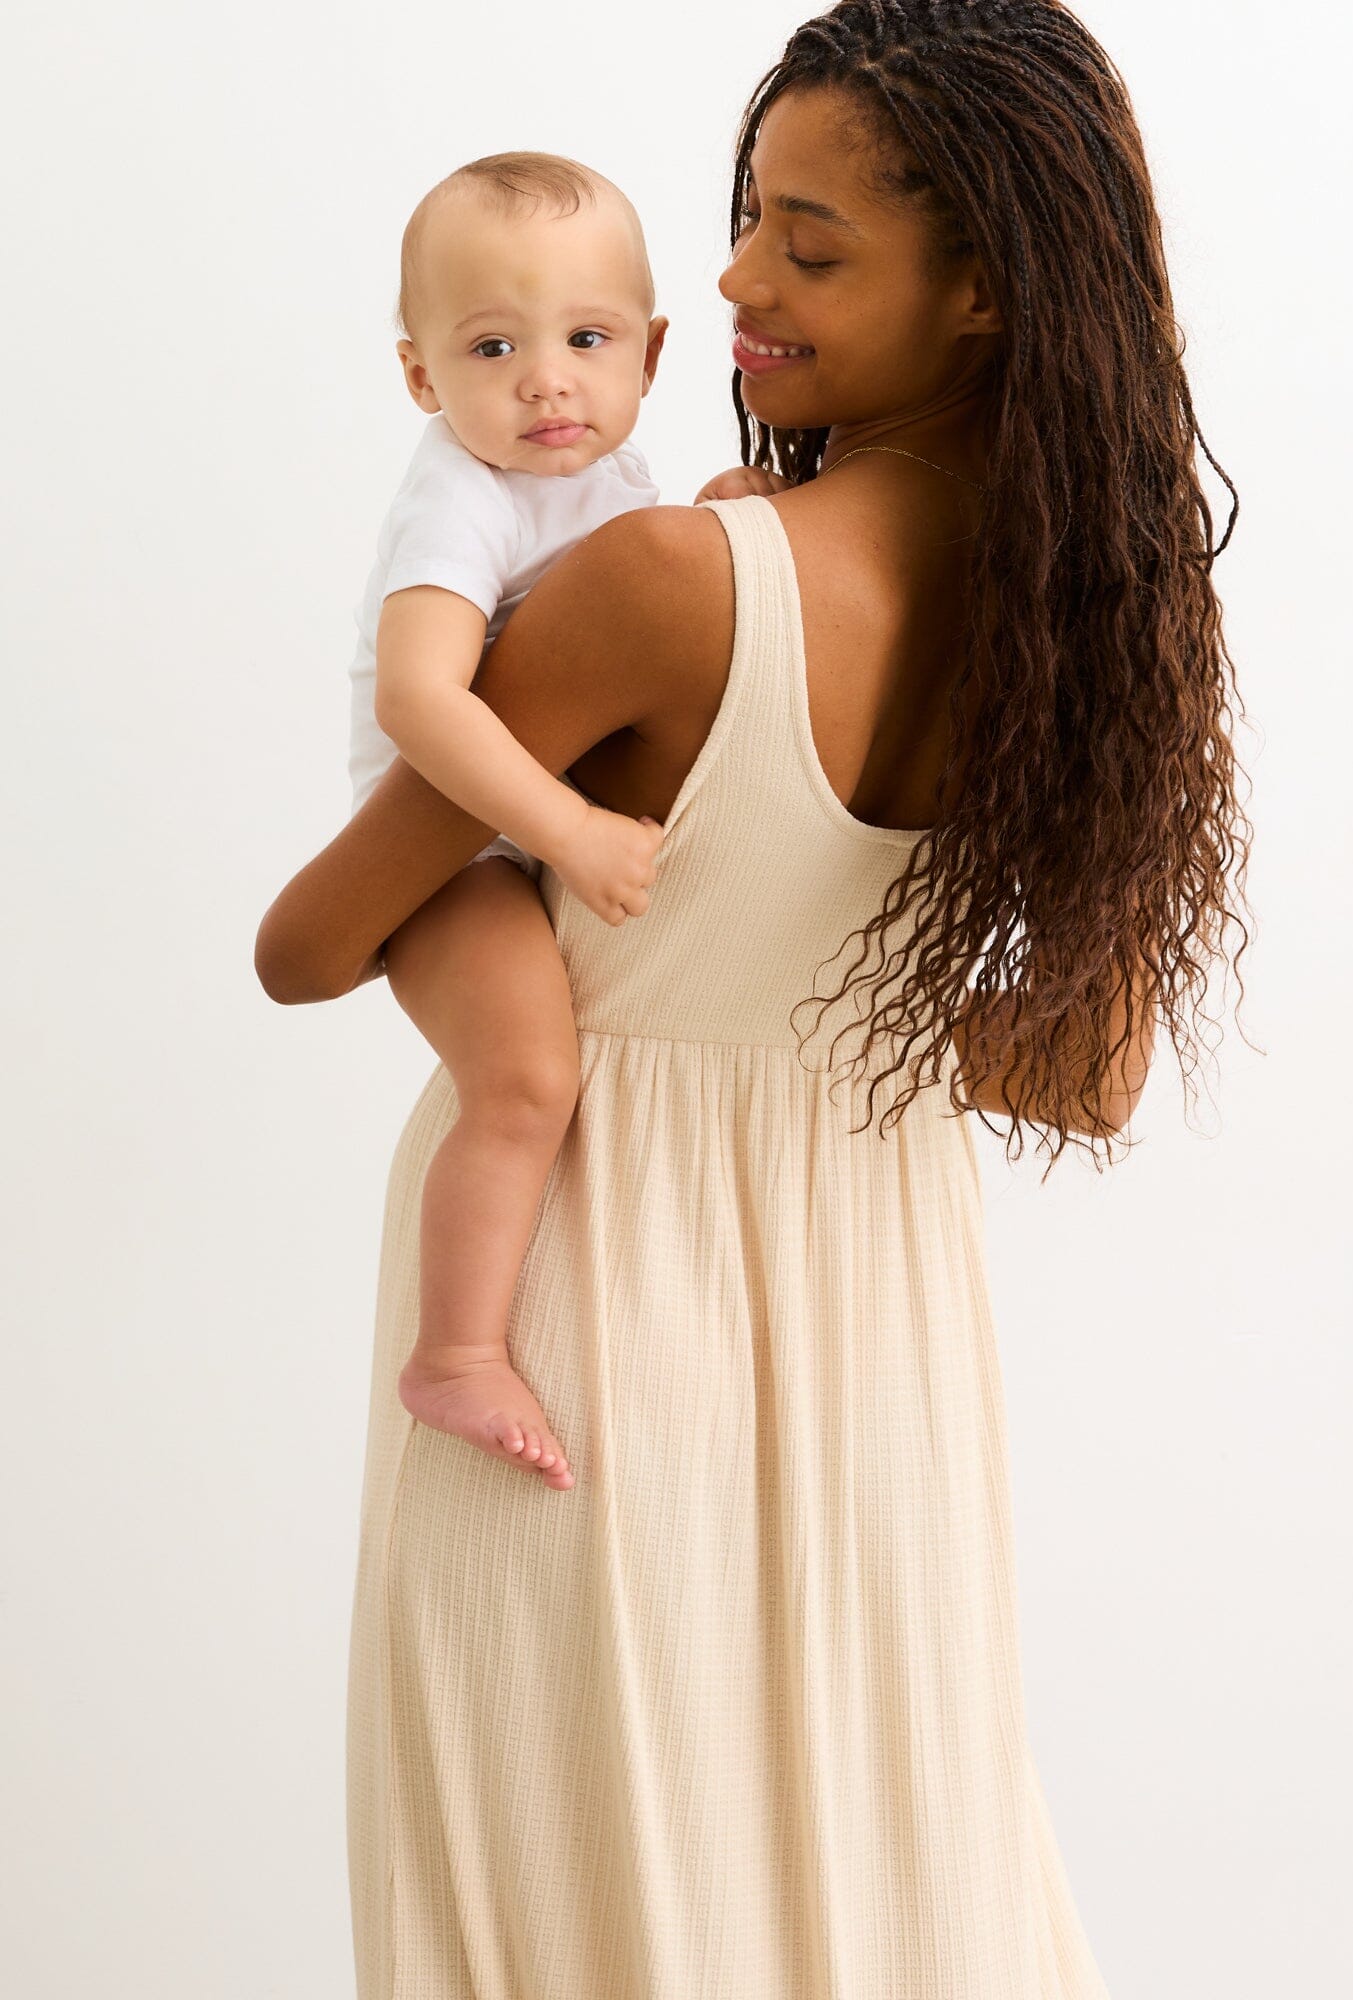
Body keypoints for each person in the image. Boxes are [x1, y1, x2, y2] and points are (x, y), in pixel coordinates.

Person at [255, 2, 1252, 1992]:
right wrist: (809, 1032)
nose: (725, 280)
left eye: (808, 244)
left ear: (980, 291)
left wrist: (650, 1006)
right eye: (742, 220)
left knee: (564, 1902)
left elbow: (308, 947)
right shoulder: (1110, 617)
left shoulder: (665, 580)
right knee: (869, 1882)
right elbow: (1087, 1065)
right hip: (870, 1333)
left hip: (569, 1317)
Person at [345, 152, 769, 1487]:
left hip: (520, 827)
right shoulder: (458, 498)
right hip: (446, 853)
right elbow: (422, 702)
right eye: (493, 345)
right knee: (527, 1080)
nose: (547, 379)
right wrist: (567, 834)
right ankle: (455, 1352)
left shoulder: (608, 469)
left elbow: (613, 610)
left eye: (587, 339)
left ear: (650, 351)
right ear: (423, 376)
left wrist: (712, 526)